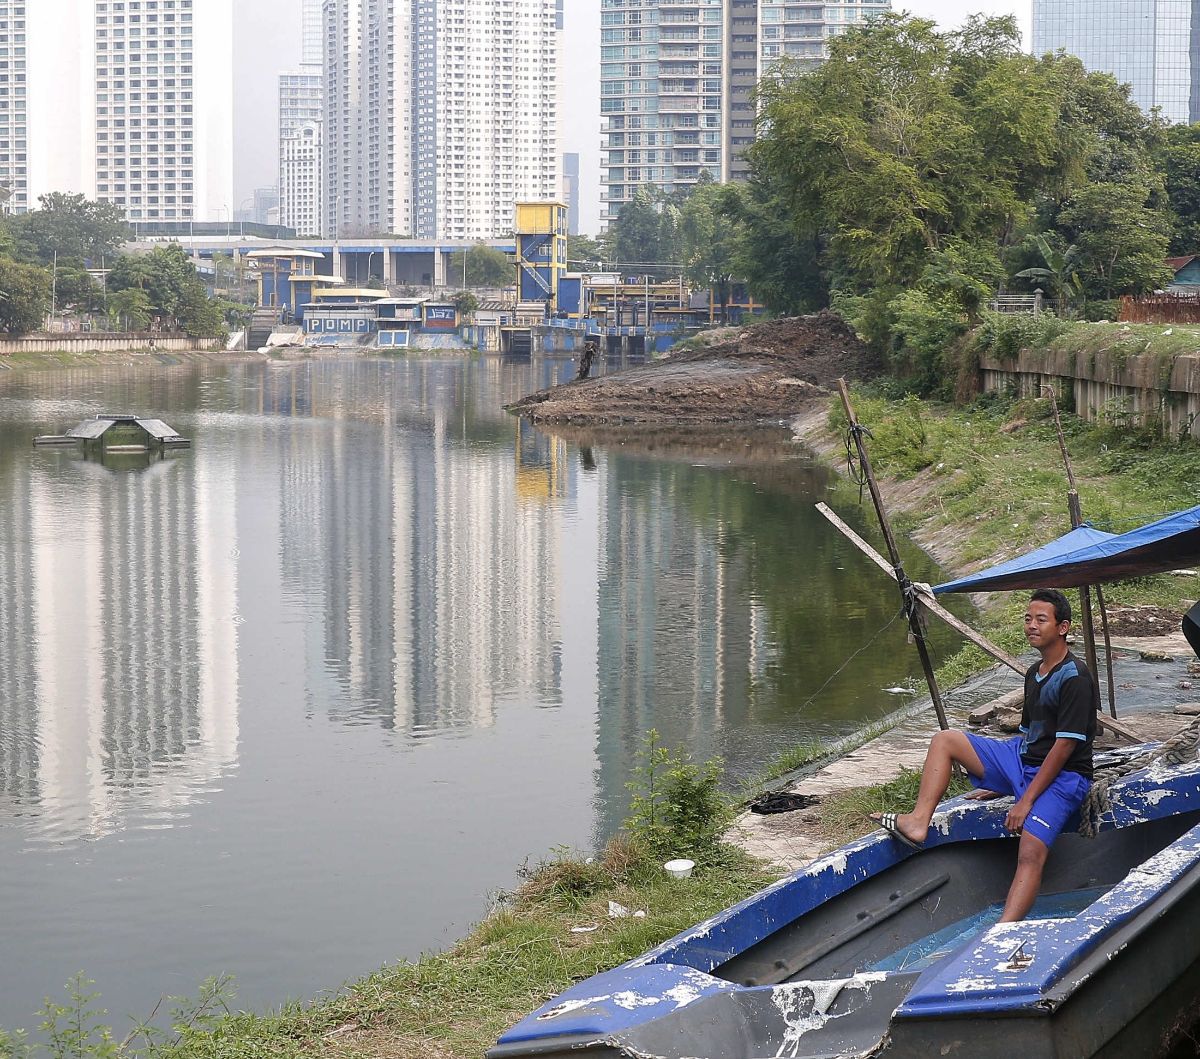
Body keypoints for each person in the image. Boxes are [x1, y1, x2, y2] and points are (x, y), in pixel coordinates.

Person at [871, 588, 1096, 922]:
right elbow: (1027, 737)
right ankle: (918, 822)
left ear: (1062, 627)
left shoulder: (1074, 677)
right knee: (946, 740)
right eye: (1027, 618)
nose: (1031, 625)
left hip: (1063, 777)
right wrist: (1004, 781)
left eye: (1041, 620)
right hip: (1023, 761)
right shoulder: (1035, 673)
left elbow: (1063, 748)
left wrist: (1025, 801)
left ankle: (1003, 932)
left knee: (1031, 850)